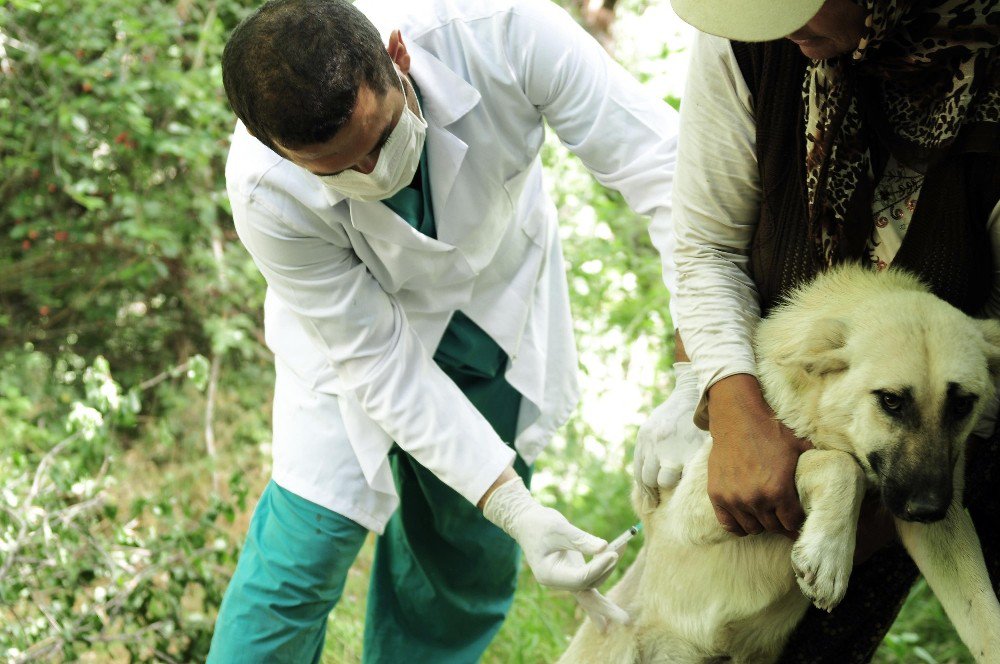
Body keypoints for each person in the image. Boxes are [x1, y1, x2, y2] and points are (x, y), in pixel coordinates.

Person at [209, 0, 679, 661]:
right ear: (279, 151)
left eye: (378, 139)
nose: (372, 172)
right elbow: (376, 362)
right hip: (345, 353)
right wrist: (516, 506)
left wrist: (702, 372)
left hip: (490, 309)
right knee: (299, 561)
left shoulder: (504, 29)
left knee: (461, 566)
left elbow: (662, 167)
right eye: (339, 169)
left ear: (398, 59)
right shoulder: (264, 190)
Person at [632, 0, 1000, 660]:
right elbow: (708, 247)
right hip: (786, 385)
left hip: (946, 419)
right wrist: (728, 399)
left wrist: (879, 518)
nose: (781, 22)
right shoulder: (748, 36)